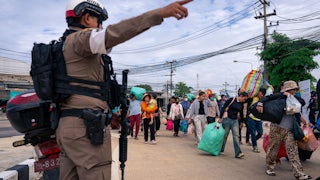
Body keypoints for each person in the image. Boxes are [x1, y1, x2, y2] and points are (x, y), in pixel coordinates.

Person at [55, 0, 193, 179]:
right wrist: (158, 14)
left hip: (67, 125)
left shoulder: (64, 45)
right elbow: (114, 34)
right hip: (86, 128)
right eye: (99, 21)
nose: (101, 26)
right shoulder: (80, 39)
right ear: (87, 17)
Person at [257, 80, 311, 179]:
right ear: (287, 89)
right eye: (292, 90)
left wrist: (290, 96)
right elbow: (266, 98)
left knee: (293, 151)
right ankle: (269, 168)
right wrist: (260, 104)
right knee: (273, 149)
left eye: (295, 89)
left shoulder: (295, 98)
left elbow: (302, 102)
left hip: (290, 129)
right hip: (276, 127)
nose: (294, 91)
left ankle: (299, 174)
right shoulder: (278, 96)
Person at [217, 91, 249, 159]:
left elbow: (241, 113)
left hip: (235, 121)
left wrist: (241, 122)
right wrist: (220, 118)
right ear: (241, 96)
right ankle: (220, 149)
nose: (244, 100)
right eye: (244, 99)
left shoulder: (241, 103)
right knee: (225, 136)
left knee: (236, 136)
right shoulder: (231, 100)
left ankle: (238, 153)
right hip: (227, 120)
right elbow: (223, 108)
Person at [247, 88, 266, 153]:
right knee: (253, 133)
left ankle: (253, 140)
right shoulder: (253, 97)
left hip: (258, 119)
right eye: (261, 93)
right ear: (258, 92)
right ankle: (255, 147)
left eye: (263, 94)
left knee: (260, 133)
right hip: (251, 118)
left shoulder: (263, 100)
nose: (262, 95)